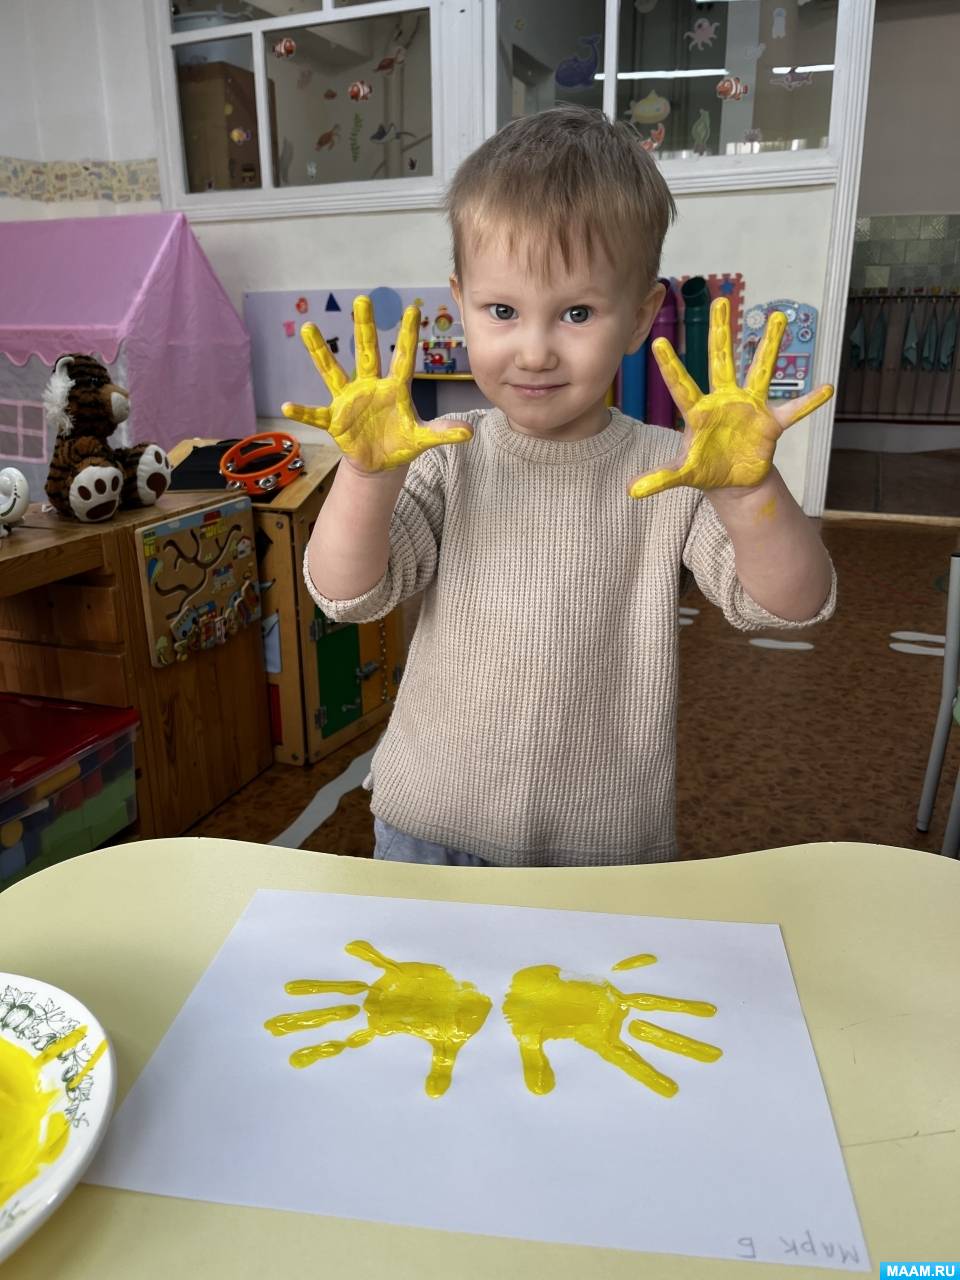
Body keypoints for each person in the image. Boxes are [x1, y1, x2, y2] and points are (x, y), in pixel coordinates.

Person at [282, 105, 836, 868]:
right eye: (502, 311)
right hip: (430, 826)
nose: (535, 350)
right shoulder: (448, 456)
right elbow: (347, 594)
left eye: (577, 312)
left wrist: (749, 495)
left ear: (639, 318)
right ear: (460, 303)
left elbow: (790, 605)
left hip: (599, 845)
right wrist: (367, 475)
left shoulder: (672, 471)